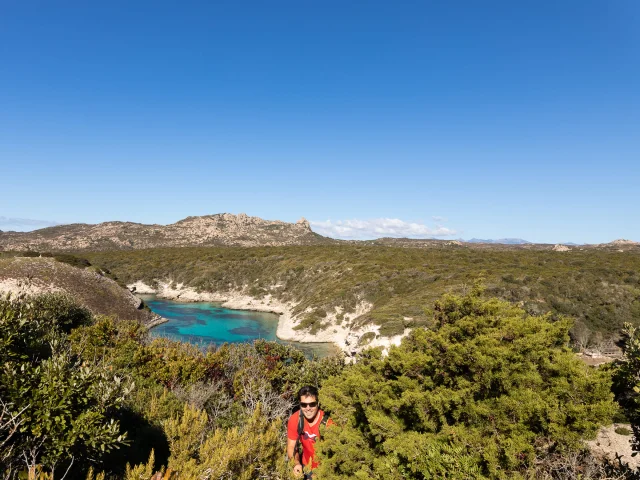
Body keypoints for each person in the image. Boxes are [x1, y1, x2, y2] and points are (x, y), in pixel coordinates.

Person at [286, 386, 333, 478]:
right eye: (304, 405)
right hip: (306, 468)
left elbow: (335, 453)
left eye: (312, 404)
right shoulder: (295, 419)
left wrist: (320, 473)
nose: (308, 408)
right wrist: (296, 464)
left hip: (326, 470)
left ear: (318, 403)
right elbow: (291, 446)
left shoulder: (329, 423)